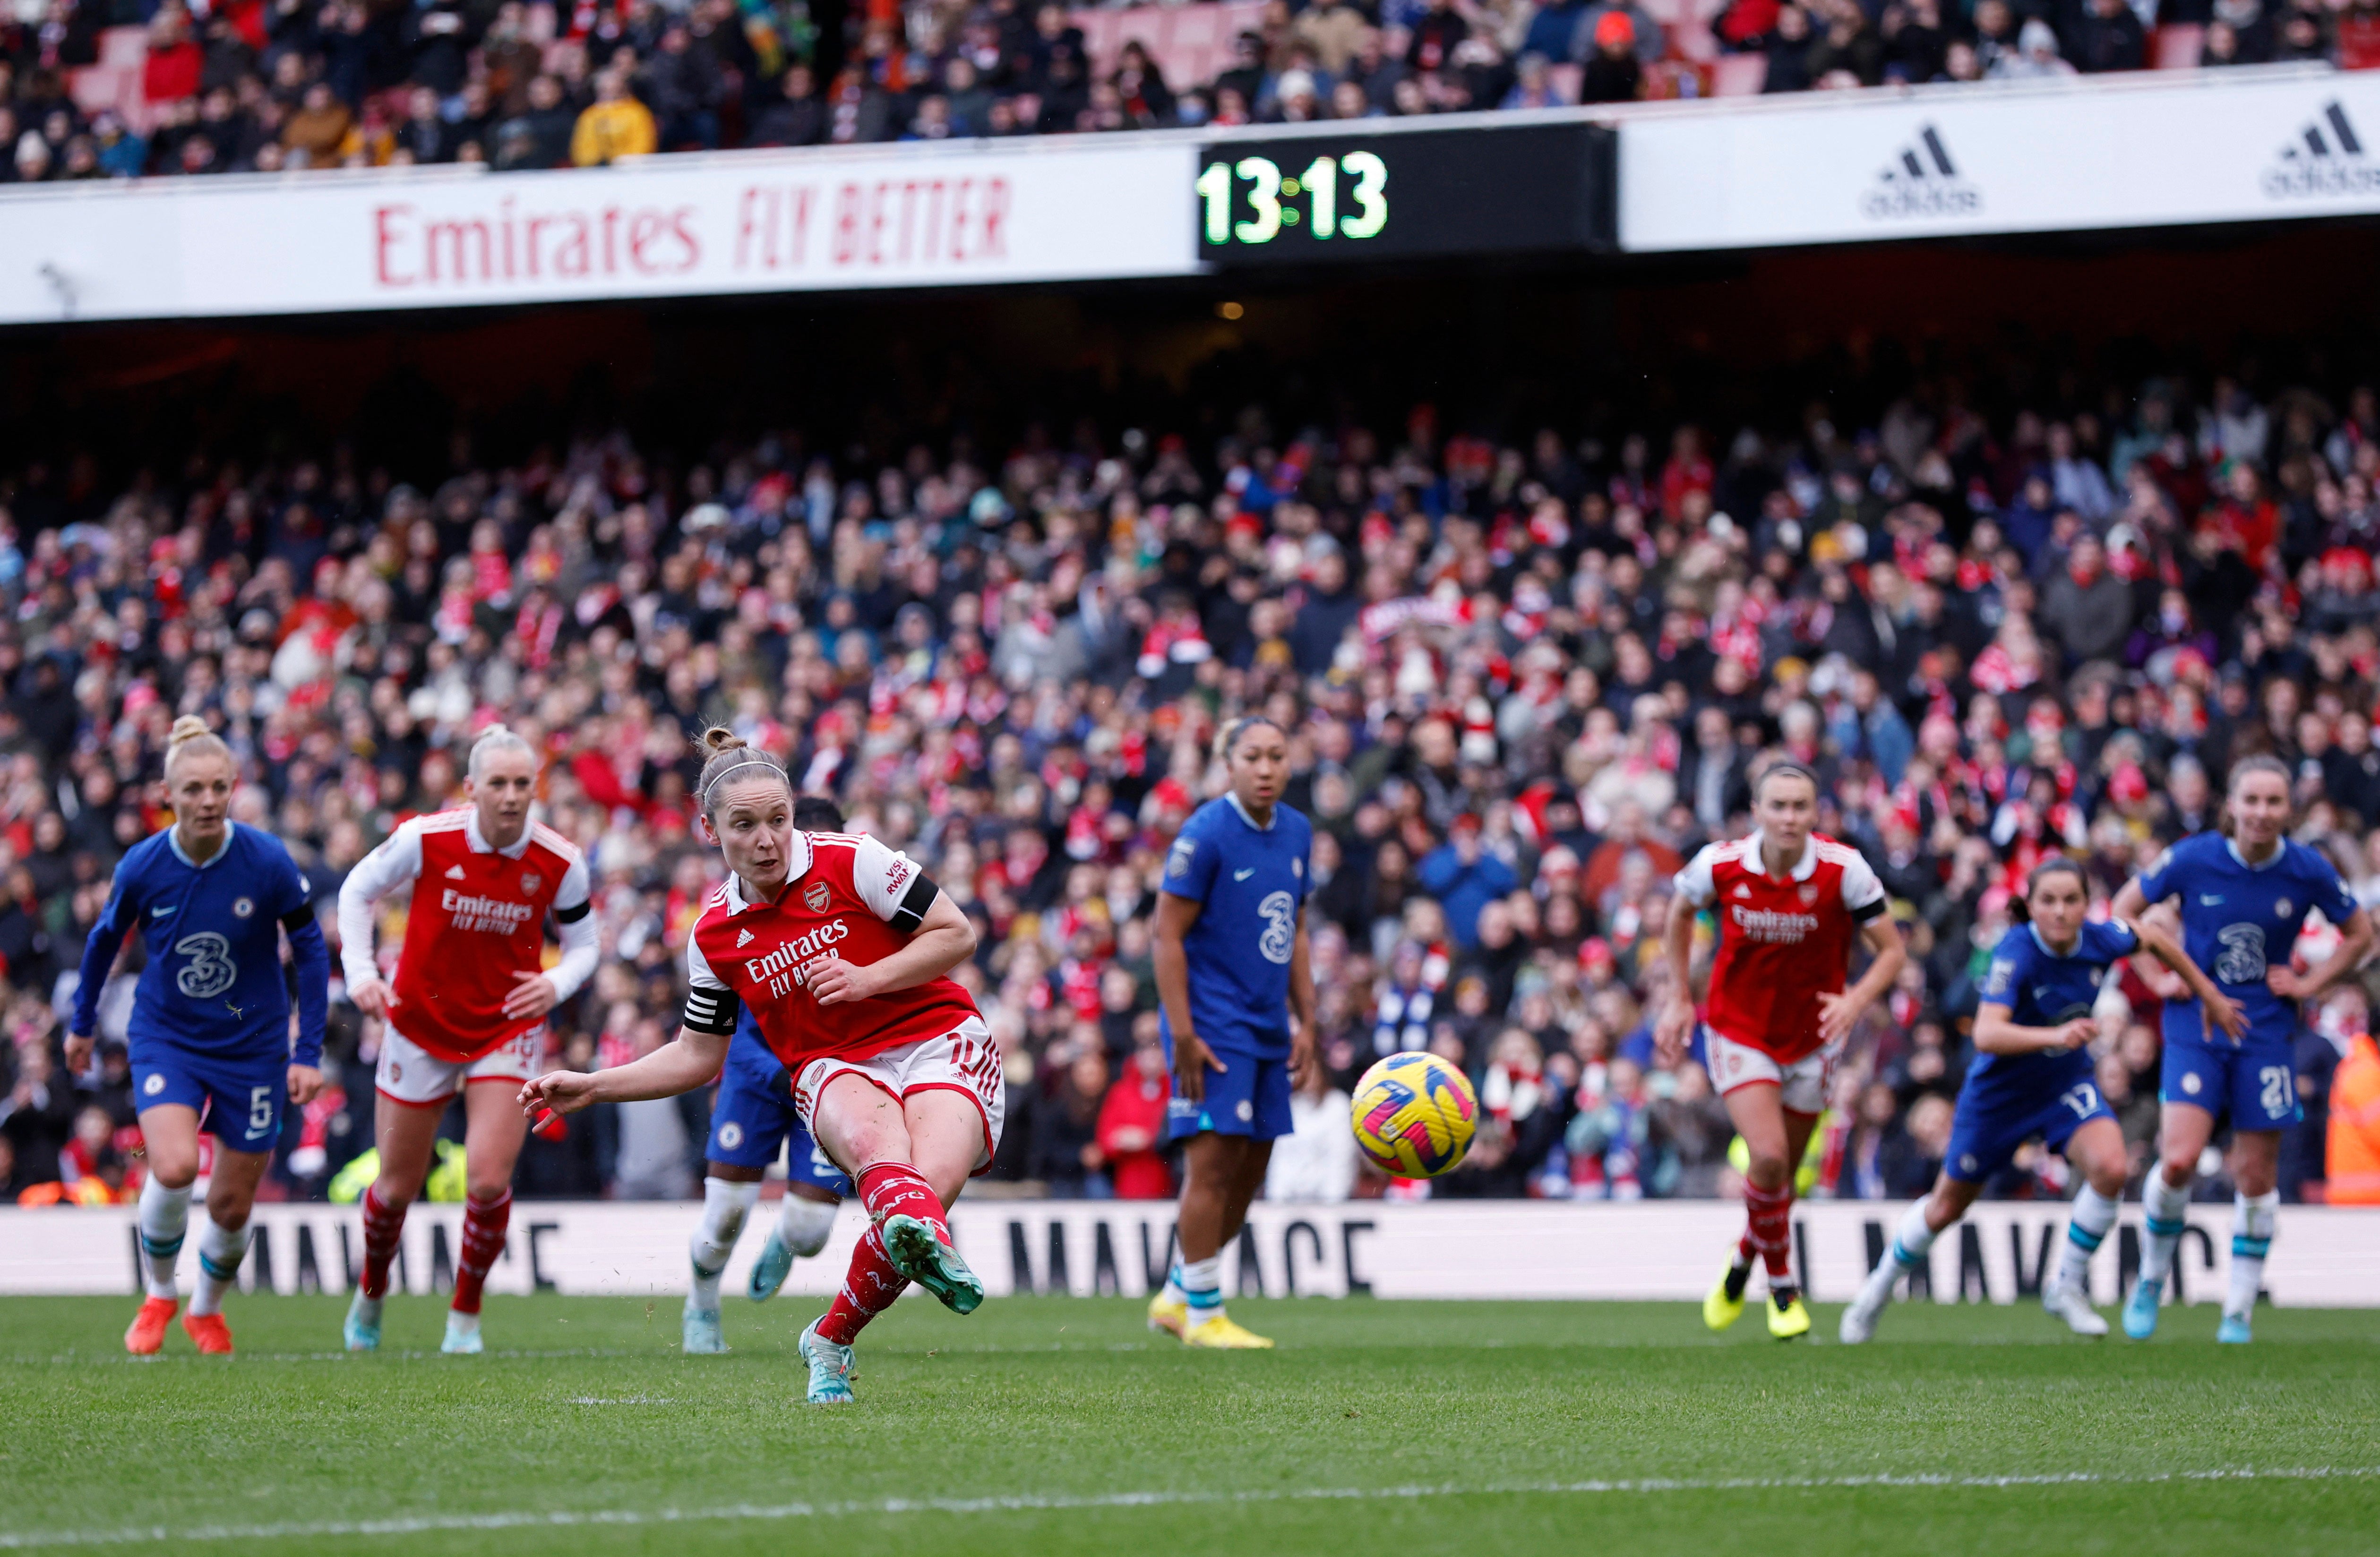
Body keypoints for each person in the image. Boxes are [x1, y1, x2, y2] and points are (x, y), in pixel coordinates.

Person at [522, 729, 1001, 1406]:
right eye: (744, 825)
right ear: (710, 830)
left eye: (778, 820)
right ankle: (859, 1271)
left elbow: (957, 933)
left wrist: (868, 979)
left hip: (937, 1039)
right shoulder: (713, 935)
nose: (767, 840)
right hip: (834, 1064)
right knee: (886, 1171)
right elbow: (697, 1053)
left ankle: (830, 1338)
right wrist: (595, 1087)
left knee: (923, 1200)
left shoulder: (856, 860)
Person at [1840, 857, 2239, 1343]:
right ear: (2030, 905)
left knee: (2112, 1167)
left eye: (2071, 899)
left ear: (2086, 903)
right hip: (1998, 1095)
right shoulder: (2017, 950)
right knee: (1946, 1207)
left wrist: (2206, 995)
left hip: (2061, 1084)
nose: (2060, 910)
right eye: (2047, 900)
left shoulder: (2101, 938)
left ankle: (2065, 1285)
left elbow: (2153, 937)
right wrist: (2055, 1034)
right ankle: (1875, 1292)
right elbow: (1986, 1033)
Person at [66, 717, 329, 1356]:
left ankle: (205, 1310)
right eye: (193, 790)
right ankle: (159, 1294)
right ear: (168, 794)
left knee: (233, 1205)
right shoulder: (144, 866)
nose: (208, 800)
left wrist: (307, 1051)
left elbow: (310, 947)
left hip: (253, 1043)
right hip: (168, 1035)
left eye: (218, 788)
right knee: (176, 1165)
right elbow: (104, 944)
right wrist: (80, 1023)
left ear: (234, 787)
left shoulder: (266, 860)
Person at [336, 725, 599, 1356]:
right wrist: (362, 972)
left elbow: (587, 947)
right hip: (419, 1026)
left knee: (486, 1182)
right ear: (471, 789)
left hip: (505, 1027)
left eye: (522, 784)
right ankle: (371, 1294)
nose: (512, 796)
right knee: (396, 1188)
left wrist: (556, 985)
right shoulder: (426, 838)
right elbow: (356, 890)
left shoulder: (559, 860)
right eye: (499, 784)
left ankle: (465, 1316)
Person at [2109, 755, 2374, 1343]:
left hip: (2265, 1031)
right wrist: (2156, 978)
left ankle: (2237, 1309)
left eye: (2273, 802)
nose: (2261, 812)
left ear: (2289, 809)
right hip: (2196, 1023)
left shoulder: (2307, 869)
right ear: (2231, 804)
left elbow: (2361, 933)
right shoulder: (2193, 856)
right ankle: (2151, 1278)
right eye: (2250, 800)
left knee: (2255, 1173)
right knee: (2178, 1156)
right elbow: (2124, 911)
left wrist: (2311, 983)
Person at [1657, 762, 1905, 1339]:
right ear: (1757, 812)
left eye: (1801, 806)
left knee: (1781, 1178)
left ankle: (1743, 1258)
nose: (1790, 817)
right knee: (1766, 1155)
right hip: (1738, 1028)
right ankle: (1784, 1284)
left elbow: (1892, 950)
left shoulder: (1845, 870)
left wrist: (1855, 998)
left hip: (1814, 1036)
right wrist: (1677, 997)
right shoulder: (1720, 864)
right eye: (1779, 805)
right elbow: (1677, 915)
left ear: (1816, 813)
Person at [1145, 716, 1318, 1349]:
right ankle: (1204, 1317)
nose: (1266, 768)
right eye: (1253, 756)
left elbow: (1294, 928)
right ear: (1229, 764)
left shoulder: (1297, 831)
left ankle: (1176, 1294)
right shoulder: (1206, 833)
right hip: (1212, 1023)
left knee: (1250, 1174)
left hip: (1269, 1021)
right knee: (1213, 1168)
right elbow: (1165, 936)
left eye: (1277, 755)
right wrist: (1183, 1034)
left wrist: (1308, 1016)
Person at [681, 794, 855, 1355]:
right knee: (726, 1213)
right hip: (760, 1080)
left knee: (809, 1231)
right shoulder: (738, 921)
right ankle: (701, 1306)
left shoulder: (859, 899)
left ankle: (784, 1241)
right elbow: (727, 1034)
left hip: (828, 1083)